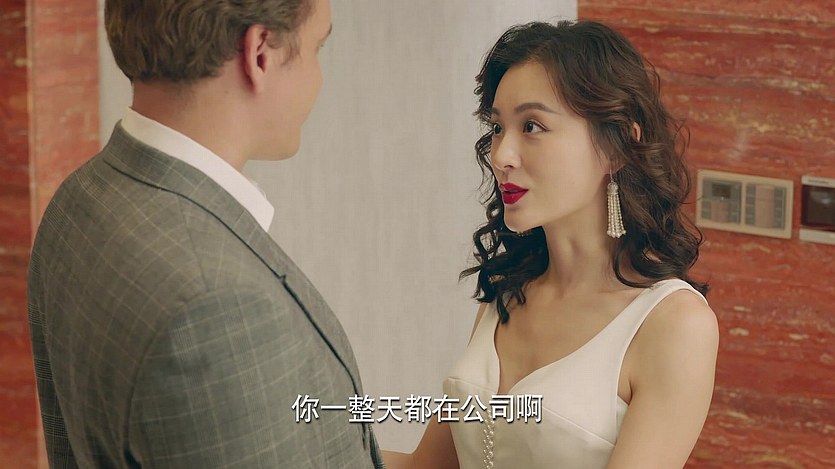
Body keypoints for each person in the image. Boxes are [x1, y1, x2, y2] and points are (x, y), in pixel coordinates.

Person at [27, 0, 384, 467]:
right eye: (318, 47)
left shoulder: (80, 199)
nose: (319, 77)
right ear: (260, 53)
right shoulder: (219, 309)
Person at [384, 20, 719, 469]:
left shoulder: (673, 325)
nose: (501, 155)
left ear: (618, 146)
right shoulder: (506, 294)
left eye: (532, 126)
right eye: (497, 127)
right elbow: (427, 467)